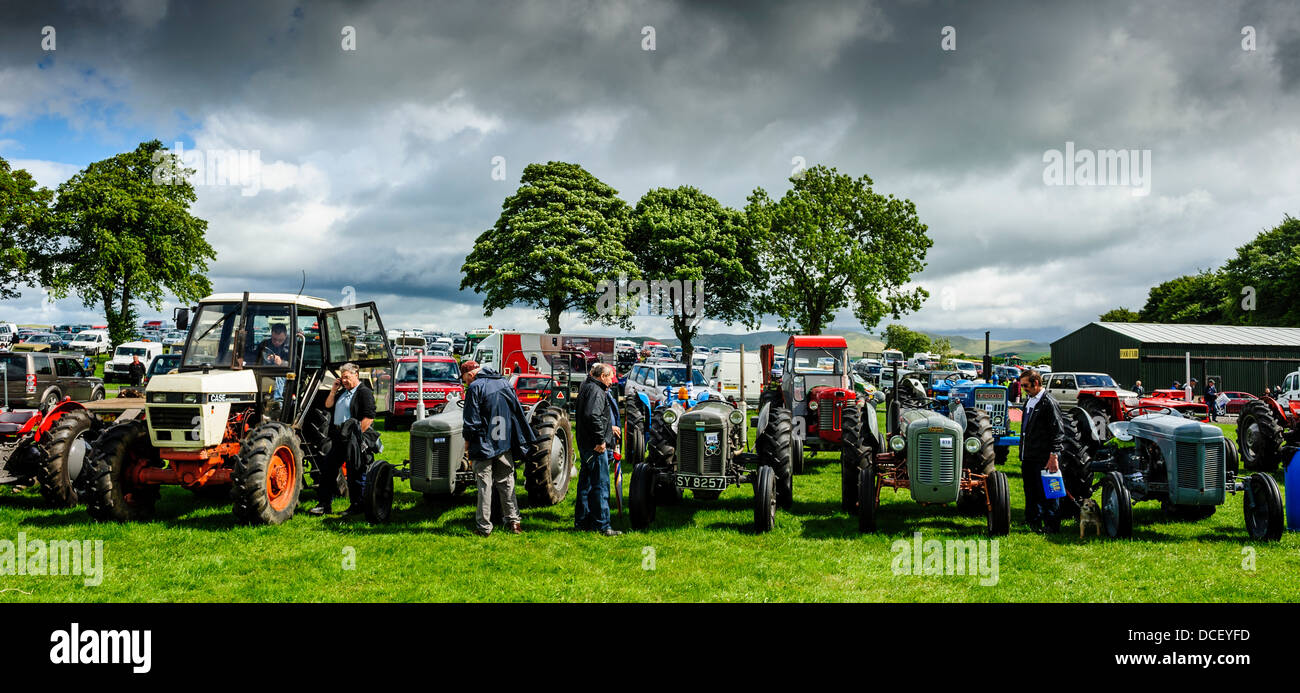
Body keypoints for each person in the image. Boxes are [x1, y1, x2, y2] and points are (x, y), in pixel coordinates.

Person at [461, 359, 535, 536]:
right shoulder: (504, 382)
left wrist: (467, 445)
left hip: (483, 443)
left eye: (465, 379)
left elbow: (471, 421)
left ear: (470, 374)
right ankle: (514, 522)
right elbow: (517, 412)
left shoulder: (475, 387)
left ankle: (484, 527)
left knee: (484, 486)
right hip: (504, 442)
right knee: (507, 482)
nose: (465, 383)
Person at [309, 363, 375, 516]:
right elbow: (328, 405)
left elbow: (369, 417)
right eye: (342, 377)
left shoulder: (363, 392)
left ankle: (357, 505)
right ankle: (325, 504)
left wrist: (357, 436)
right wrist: (333, 390)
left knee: (354, 472)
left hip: (353, 437)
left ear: (356, 375)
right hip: (338, 437)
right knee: (327, 469)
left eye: (347, 377)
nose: (344, 380)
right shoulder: (343, 392)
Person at [575, 362, 622, 536]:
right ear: (602, 376)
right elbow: (593, 415)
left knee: (585, 485)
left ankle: (582, 521)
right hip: (595, 447)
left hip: (585, 444)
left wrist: (609, 428)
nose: (612, 381)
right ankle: (602, 525)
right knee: (601, 485)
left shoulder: (586, 386)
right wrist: (601, 440)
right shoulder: (596, 391)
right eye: (610, 377)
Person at [1018, 369, 1064, 534]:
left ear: (1036, 383)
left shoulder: (1048, 402)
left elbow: (1058, 431)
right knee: (1030, 491)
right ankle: (1033, 521)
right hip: (1028, 456)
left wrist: (1054, 455)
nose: (1023, 388)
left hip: (1044, 457)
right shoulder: (1030, 400)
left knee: (1048, 492)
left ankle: (1051, 525)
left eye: (1025, 385)